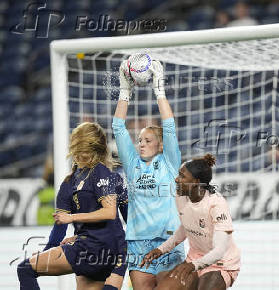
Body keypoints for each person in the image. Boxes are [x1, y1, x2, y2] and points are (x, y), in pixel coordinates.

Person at [17, 122, 127, 290]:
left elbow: (110, 213)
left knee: (25, 269)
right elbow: (128, 217)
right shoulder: (103, 178)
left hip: (93, 248)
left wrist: (72, 218)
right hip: (109, 249)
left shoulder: (96, 174)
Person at [112, 58, 184, 289]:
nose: (141, 144)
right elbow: (117, 127)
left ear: (161, 145)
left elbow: (169, 125)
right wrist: (125, 91)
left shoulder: (170, 162)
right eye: (140, 140)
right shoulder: (132, 164)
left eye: (148, 140)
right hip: (137, 244)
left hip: (168, 242)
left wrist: (158, 90)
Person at [140, 154, 241, 290]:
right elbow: (186, 227)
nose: (176, 179)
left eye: (182, 176)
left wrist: (193, 265)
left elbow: (219, 251)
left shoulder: (216, 203)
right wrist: (161, 249)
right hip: (194, 260)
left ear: (195, 182)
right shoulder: (180, 197)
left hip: (221, 263)